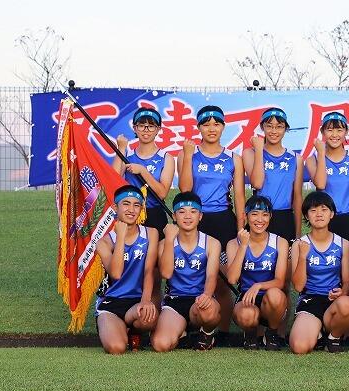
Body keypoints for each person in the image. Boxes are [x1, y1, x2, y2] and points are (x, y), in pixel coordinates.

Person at [178, 105, 246, 346]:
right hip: (194, 221)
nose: (211, 128)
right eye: (206, 124)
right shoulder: (188, 153)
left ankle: (223, 331)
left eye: (216, 124)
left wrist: (241, 228)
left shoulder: (233, 158)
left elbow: (239, 197)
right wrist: (187, 156)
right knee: (193, 274)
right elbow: (185, 190)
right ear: (198, 128)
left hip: (224, 221)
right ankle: (192, 327)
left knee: (224, 281)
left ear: (223, 127)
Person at [150, 192, 222, 352]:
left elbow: (211, 276)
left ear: (200, 216)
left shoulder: (212, 243)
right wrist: (169, 240)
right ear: (174, 216)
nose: (188, 216)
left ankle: (207, 333)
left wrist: (207, 295)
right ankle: (185, 334)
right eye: (182, 212)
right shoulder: (164, 243)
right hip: (175, 300)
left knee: (208, 311)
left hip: (200, 299)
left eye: (193, 211)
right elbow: (166, 274)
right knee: (160, 344)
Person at [94, 185, 159, 354]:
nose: (131, 209)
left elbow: (149, 270)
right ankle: (118, 328)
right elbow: (116, 273)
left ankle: (134, 331)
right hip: (111, 303)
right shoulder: (104, 242)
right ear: (115, 207)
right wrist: (121, 237)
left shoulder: (151, 233)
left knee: (149, 319)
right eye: (126, 204)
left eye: (136, 205)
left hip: (136, 301)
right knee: (116, 348)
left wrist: (146, 300)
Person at [289, 191, 349, 354]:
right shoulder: (299, 244)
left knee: (347, 303)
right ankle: (317, 333)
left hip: (334, 301)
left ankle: (333, 337)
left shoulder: (343, 243)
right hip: (310, 299)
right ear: (306, 215)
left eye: (324, 209)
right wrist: (303, 257)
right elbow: (298, 286)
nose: (319, 214)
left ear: (331, 214)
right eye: (313, 210)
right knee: (299, 347)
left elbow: (348, 282)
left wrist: (342, 292)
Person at [225, 195, 288, 350]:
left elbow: (280, 281)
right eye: (254, 214)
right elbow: (232, 279)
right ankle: (250, 334)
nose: (260, 220)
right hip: (246, 299)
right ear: (246, 216)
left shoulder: (280, 242)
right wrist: (243, 246)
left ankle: (271, 333)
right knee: (246, 315)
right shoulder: (234, 243)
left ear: (270, 217)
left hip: (270, 299)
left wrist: (258, 285)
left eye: (265, 215)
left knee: (276, 295)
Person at [242, 107, 303, 244]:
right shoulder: (250, 153)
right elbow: (257, 183)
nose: (274, 131)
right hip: (259, 216)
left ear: (285, 129)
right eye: (269, 126)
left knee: (286, 256)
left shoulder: (295, 158)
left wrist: (298, 232)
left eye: (279, 127)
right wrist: (259, 149)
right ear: (262, 127)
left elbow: (297, 197)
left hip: (284, 217)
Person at [305, 111, 349, 244]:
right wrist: (321, 153)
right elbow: (321, 184)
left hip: (348, 219)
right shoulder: (313, 159)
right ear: (322, 132)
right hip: (323, 221)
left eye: (339, 130)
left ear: (346, 132)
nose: (334, 135)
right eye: (329, 130)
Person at [114, 107, 175, 240]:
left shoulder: (166, 158)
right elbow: (112, 183)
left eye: (151, 126)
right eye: (141, 125)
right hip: (129, 213)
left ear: (158, 129)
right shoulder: (126, 155)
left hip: (155, 215)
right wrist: (121, 148)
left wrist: (143, 171)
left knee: (157, 252)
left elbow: (162, 193)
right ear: (135, 128)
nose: (146, 130)